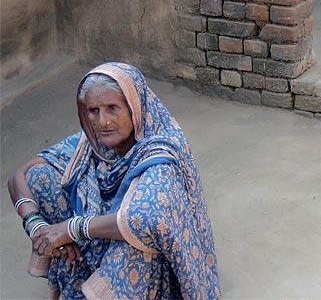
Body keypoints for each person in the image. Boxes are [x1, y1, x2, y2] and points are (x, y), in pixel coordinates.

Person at [8, 62, 220, 298]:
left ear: (134, 108)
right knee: (40, 177)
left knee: (135, 239)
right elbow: (20, 175)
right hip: (95, 238)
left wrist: (69, 229)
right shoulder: (91, 144)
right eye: (93, 111)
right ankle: (79, 281)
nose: (103, 122)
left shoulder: (160, 150)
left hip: (143, 256)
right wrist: (38, 226)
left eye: (112, 108)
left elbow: (145, 220)